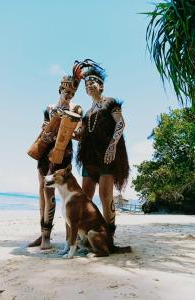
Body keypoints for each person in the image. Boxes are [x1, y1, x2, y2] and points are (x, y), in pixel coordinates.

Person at [76, 60, 129, 238]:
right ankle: (86, 233)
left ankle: (110, 237)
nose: (89, 86)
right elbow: (82, 134)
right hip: (89, 158)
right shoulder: (87, 113)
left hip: (107, 155)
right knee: (85, 197)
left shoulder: (110, 103)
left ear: (101, 86)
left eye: (92, 83)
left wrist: (112, 146)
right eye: (86, 84)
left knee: (105, 195)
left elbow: (121, 124)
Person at [28, 74, 82, 249]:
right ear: (60, 89)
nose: (69, 95)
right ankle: (44, 233)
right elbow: (45, 127)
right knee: (42, 192)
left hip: (63, 153)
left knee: (50, 192)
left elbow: (79, 134)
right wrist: (47, 130)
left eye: (72, 93)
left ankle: (48, 239)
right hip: (45, 153)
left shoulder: (77, 109)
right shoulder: (49, 108)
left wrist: (70, 131)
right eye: (66, 91)